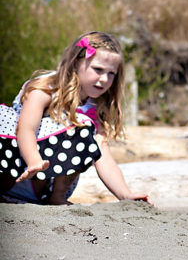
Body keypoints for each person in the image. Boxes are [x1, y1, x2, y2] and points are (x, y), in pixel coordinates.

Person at [0, 31, 151, 205]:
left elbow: (102, 155)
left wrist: (125, 194)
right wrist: (33, 160)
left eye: (111, 74)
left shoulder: (93, 108)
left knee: (83, 129)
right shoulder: (45, 89)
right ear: (75, 63)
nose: (104, 79)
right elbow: (25, 128)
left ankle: (57, 197)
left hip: (43, 187)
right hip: (14, 171)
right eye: (98, 70)